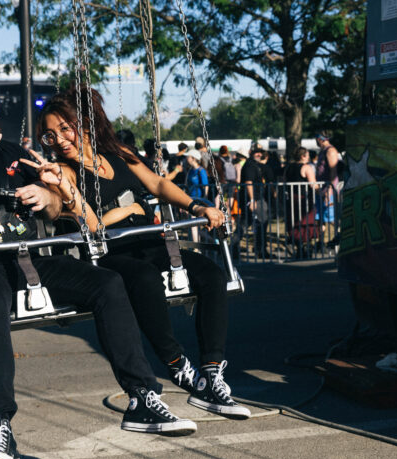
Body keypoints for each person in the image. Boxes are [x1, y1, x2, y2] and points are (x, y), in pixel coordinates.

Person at [0, 65, 196, 459]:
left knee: (109, 283)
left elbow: (61, 210)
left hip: (28, 260)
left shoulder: (17, 154)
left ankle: (142, 397)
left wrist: (49, 193)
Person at [29, 86, 251, 420]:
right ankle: (177, 364)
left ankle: (212, 372)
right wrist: (122, 212)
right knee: (145, 280)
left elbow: (158, 184)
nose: (59, 139)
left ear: (84, 124)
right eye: (50, 135)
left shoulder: (117, 152)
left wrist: (197, 207)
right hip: (108, 253)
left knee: (211, 274)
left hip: (148, 242)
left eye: (64, 128)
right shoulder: (65, 174)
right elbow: (90, 225)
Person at [241, 147, 270, 258]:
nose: (258, 154)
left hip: (255, 199)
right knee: (260, 224)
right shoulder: (250, 166)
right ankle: (261, 250)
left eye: (260, 153)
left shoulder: (254, 165)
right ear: (251, 153)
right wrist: (252, 200)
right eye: (256, 152)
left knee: (245, 224)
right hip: (255, 200)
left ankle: (260, 250)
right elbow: (248, 182)